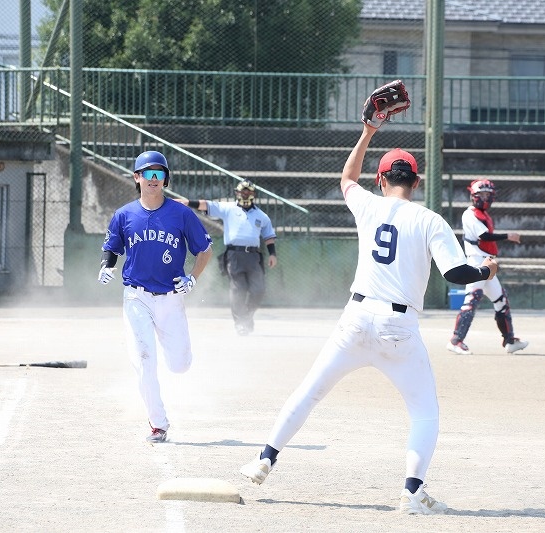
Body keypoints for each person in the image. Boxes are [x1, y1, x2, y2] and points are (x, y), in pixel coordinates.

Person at [239, 120, 502, 515]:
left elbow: (347, 178)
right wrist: (486, 271)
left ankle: (265, 458)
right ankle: (412, 493)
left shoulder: (368, 204)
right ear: (416, 182)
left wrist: (368, 132)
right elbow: (455, 274)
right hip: (399, 329)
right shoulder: (430, 219)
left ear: (381, 180)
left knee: (310, 391)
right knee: (424, 412)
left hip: (356, 318)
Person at [97, 150, 213, 443]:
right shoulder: (124, 214)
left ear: (165, 179)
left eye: (159, 173)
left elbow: (205, 250)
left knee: (179, 365)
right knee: (144, 359)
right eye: (147, 173)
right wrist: (106, 267)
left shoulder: (181, 213)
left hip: (171, 299)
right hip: (136, 297)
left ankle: (170, 349)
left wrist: (192, 278)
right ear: (136, 177)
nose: (153, 178)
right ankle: (158, 424)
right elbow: (112, 247)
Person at [175, 180, 277, 336]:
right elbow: (207, 205)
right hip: (234, 255)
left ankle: (247, 316)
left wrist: (273, 254)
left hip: (253, 256)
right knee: (238, 289)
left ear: (253, 194)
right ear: (237, 193)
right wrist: (188, 202)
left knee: (259, 290)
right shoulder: (229, 208)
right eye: (242, 192)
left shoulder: (261, 216)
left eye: (248, 192)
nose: (245, 194)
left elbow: (269, 236)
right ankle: (240, 323)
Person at [446, 179, 529, 355]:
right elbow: (484, 236)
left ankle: (509, 340)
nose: (485, 198)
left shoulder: (483, 215)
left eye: (487, 195)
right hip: (476, 262)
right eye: (481, 195)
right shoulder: (469, 214)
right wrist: (508, 235)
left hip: (487, 262)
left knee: (501, 300)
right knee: (472, 300)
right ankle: (456, 341)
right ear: (473, 196)